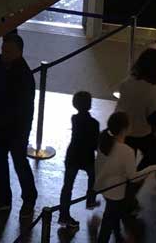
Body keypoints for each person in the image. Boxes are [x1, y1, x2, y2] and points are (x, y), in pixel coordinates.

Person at [0, 32, 38, 221]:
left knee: (19, 162)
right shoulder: (1, 62)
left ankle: (29, 199)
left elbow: (14, 112)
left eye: (8, 51)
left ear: (19, 52)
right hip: (0, 124)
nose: (4, 54)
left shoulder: (24, 78)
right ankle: (3, 199)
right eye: (3, 49)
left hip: (17, 128)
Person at [95, 111, 156, 243]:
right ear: (125, 129)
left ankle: (118, 236)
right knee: (108, 221)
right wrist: (154, 167)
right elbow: (133, 177)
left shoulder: (104, 142)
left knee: (113, 214)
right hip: (116, 192)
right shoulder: (126, 151)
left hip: (104, 188)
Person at [115, 47, 156, 169]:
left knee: (126, 164)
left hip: (123, 130)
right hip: (141, 132)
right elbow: (152, 119)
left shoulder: (127, 82)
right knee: (155, 157)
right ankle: (139, 176)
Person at [58, 90, 100, 231]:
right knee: (93, 176)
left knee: (67, 186)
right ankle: (90, 200)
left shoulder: (74, 119)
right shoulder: (94, 123)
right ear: (90, 104)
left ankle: (63, 215)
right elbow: (95, 144)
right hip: (87, 157)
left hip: (73, 155)